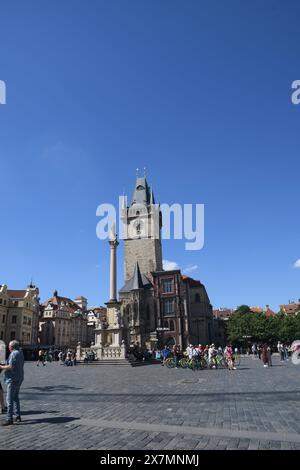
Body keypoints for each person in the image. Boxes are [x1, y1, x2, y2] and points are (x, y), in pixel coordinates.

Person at [0, 340, 24, 426]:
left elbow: (11, 367)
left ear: (11, 347)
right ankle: (17, 416)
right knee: (15, 397)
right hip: (19, 378)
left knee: (9, 399)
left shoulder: (14, 354)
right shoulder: (20, 353)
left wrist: (1, 366)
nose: (8, 347)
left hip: (13, 379)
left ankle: (9, 418)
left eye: (9, 346)